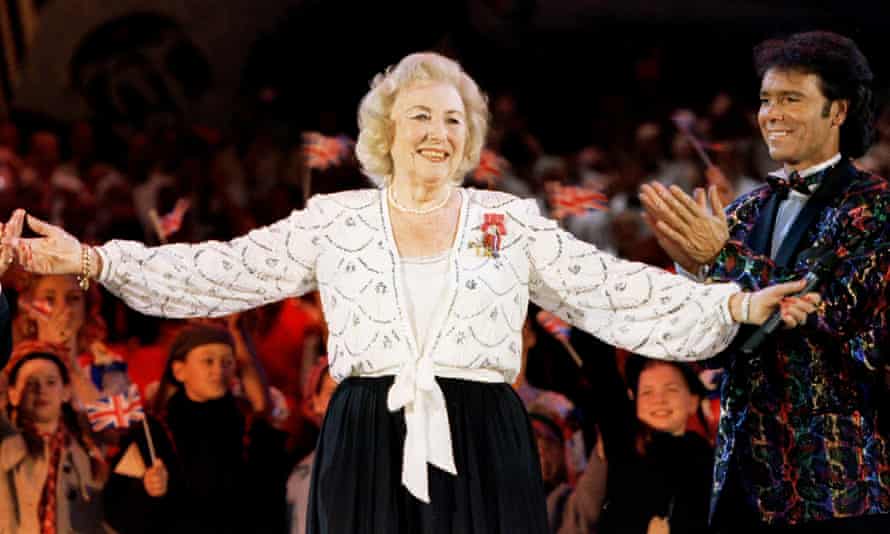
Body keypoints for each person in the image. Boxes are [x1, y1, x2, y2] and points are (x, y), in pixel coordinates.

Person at [7, 53, 818, 534]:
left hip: (486, 437)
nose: (438, 133)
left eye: (455, 121)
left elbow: (610, 289)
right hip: (365, 437)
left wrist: (734, 305)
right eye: (422, 117)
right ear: (386, 131)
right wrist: (93, 260)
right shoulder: (337, 220)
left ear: (470, 139)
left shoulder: (507, 219)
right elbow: (219, 268)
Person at [640, 31, 890, 533]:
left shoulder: (874, 206)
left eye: (791, 99)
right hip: (742, 481)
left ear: (837, 111)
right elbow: (713, 351)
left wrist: (720, 256)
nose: (771, 113)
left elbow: (835, 312)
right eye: (766, 100)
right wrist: (692, 278)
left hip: (837, 484)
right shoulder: (745, 209)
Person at [103, 322, 286, 534]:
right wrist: (145, 491)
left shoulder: (253, 430)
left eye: (227, 362)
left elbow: (274, 510)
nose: (218, 369)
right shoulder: (152, 432)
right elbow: (116, 511)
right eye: (208, 361)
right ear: (180, 371)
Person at [0, 343, 112, 533]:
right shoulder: (6, 447)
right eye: (30, 383)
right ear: (13, 394)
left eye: (51, 382)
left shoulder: (86, 446)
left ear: (66, 391)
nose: (41, 390)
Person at [598, 356, 714, 534]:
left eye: (671, 389)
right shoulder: (625, 457)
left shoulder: (712, 464)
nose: (659, 399)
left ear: (692, 400)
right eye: (647, 392)